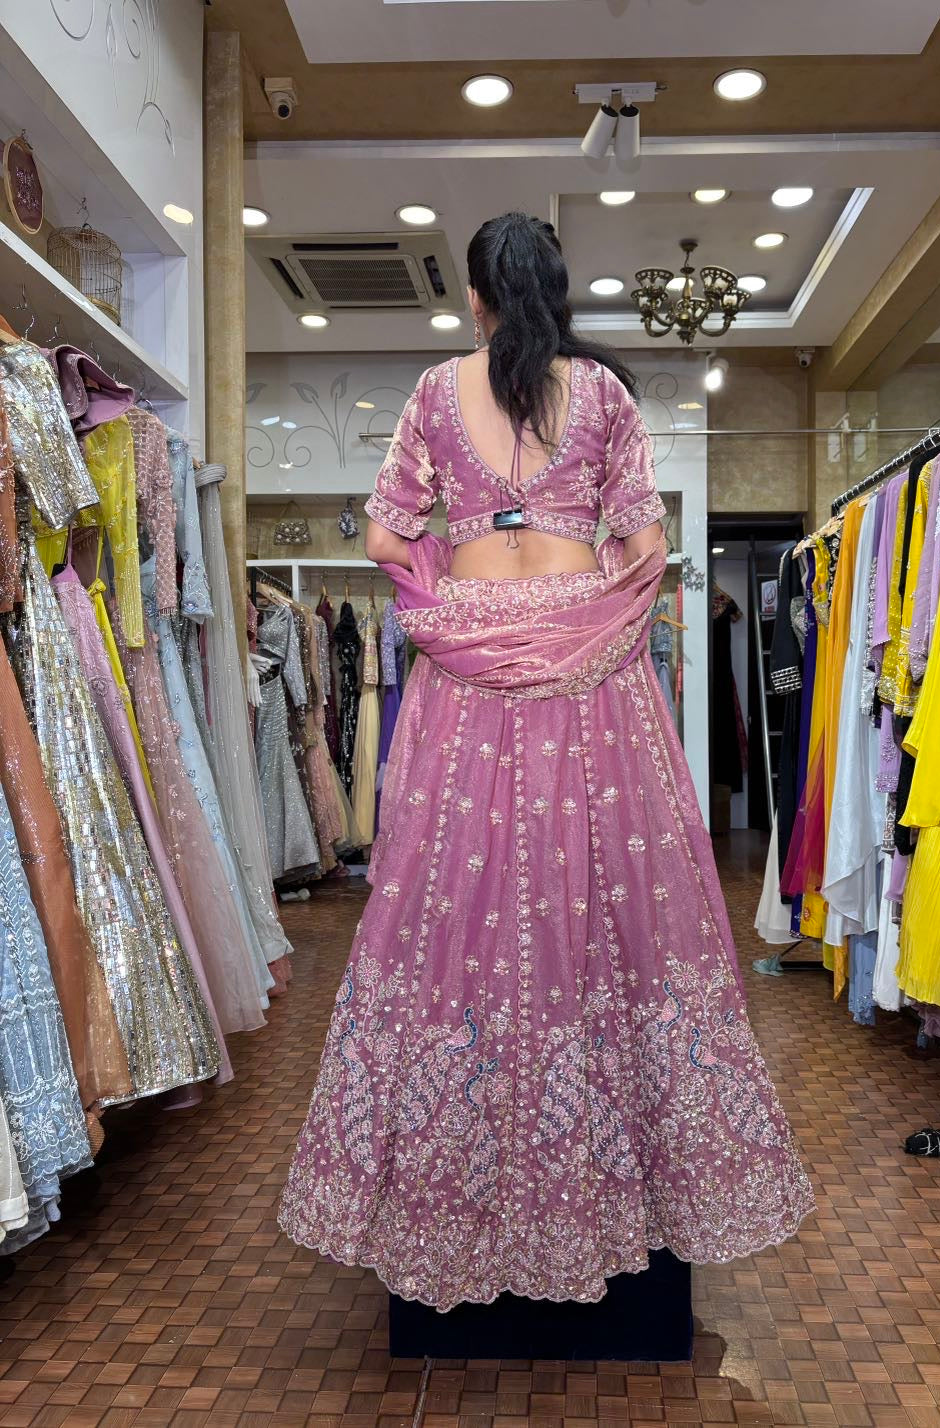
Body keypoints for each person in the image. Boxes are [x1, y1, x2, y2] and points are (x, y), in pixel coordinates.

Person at [278, 212, 813, 1311]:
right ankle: (619, 1179)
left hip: (468, 663)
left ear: (474, 299)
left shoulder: (433, 391)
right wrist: (585, 611)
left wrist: (450, 592)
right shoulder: (606, 397)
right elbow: (645, 546)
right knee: (602, 901)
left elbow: (383, 539)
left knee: (455, 909)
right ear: (556, 298)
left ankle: (453, 1187)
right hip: (588, 666)